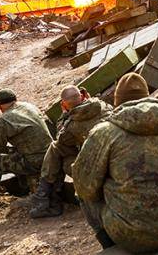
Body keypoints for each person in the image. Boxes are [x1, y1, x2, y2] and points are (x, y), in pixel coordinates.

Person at [73, 73, 158, 252]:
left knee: (82, 192)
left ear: (118, 102)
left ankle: (111, 245)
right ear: (148, 97)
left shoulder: (104, 133)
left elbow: (84, 187)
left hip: (130, 235)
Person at [0, 89, 53, 218]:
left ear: (0, 107)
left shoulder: (3, 120)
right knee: (16, 152)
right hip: (51, 155)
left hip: (35, 161)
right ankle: (24, 187)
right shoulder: (29, 107)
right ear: (15, 100)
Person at [29, 85, 111, 218]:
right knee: (57, 149)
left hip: (97, 168)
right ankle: (47, 199)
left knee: (57, 150)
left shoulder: (72, 124)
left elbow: (61, 139)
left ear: (64, 104)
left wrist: (64, 115)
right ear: (83, 96)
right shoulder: (103, 106)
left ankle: (45, 199)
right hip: (112, 155)